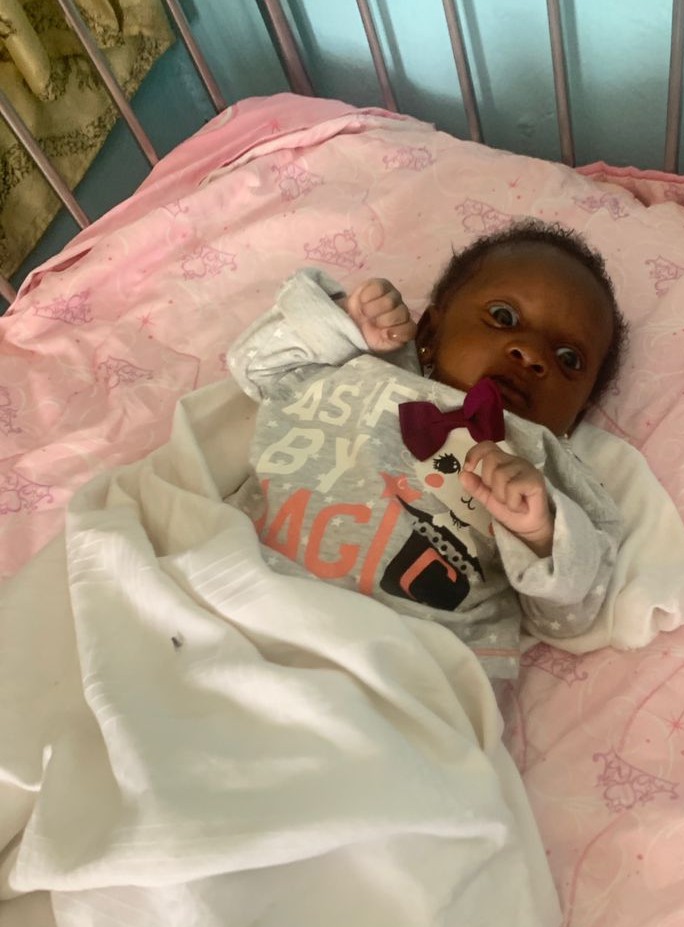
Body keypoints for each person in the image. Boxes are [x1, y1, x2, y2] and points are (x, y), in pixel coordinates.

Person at [228, 220, 627, 678]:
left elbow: (568, 616)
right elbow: (255, 367)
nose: (532, 354)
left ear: (576, 417)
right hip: (246, 587)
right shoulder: (365, 362)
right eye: (504, 317)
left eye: (568, 359)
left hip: (405, 666)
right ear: (431, 333)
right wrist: (340, 324)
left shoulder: (553, 474)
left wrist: (541, 532)